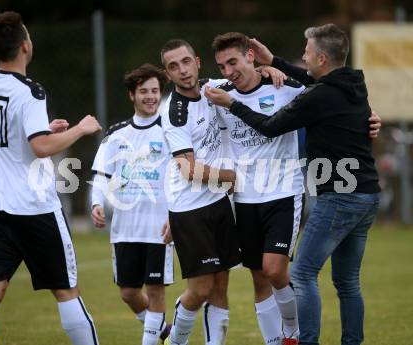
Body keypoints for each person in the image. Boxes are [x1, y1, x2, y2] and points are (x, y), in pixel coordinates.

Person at [205, 24, 380, 345]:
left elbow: (272, 126)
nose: (303, 56)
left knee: (297, 274)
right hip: (362, 192)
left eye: (308, 52)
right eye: (222, 66)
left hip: (332, 195)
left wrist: (233, 103)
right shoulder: (350, 84)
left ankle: (301, 339)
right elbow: (336, 96)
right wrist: (369, 117)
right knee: (347, 282)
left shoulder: (301, 91)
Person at [0, 12, 102, 345]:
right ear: (25, 47)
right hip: (35, 208)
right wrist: (79, 129)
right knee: (67, 291)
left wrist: (43, 130)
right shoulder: (31, 91)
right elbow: (42, 148)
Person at [209, 32, 306, 345]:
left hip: (283, 192)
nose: (228, 71)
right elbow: (185, 87)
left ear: (251, 55)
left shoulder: (284, 87)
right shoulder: (218, 94)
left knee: (275, 270)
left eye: (233, 62)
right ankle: (273, 341)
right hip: (245, 198)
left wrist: (367, 117)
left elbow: (328, 90)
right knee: (259, 277)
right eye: (222, 66)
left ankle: (292, 330)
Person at [160, 39, 240, 345]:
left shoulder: (212, 87)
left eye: (185, 62)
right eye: (173, 66)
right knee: (201, 289)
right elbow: (188, 170)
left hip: (218, 203)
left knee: (221, 287)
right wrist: (230, 178)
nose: (182, 70)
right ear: (168, 75)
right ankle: (175, 341)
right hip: (190, 209)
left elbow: (246, 77)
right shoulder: (174, 113)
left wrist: (270, 69)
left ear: (197, 61)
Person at [90, 63, 173, 345]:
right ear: (132, 95)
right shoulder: (116, 134)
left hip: (158, 228)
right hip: (124, 228)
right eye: (143, 91)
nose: (150, 96)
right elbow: (101, 175)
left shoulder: (170, 131)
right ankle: (162, 331)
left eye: (155, 91)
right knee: (128, 292)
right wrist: (95, 204)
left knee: (156, 289)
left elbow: (184, 175)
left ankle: (150, 340)